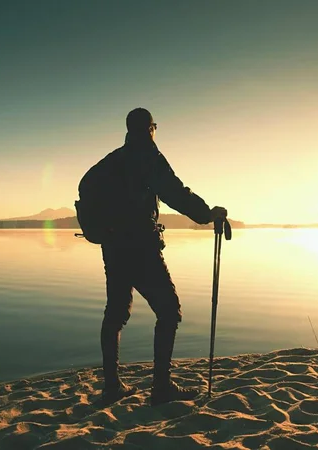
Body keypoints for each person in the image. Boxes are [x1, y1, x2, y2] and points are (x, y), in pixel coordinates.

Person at [96, 108, 227, 405]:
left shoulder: (112, 160)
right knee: (169, 311)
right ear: (151, 128)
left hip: (113, 247)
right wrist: (207, 214)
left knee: (115, 312)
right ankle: (161, 388)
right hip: (141, 247)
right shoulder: (148, 156)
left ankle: (112, 387)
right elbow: (176, 193)